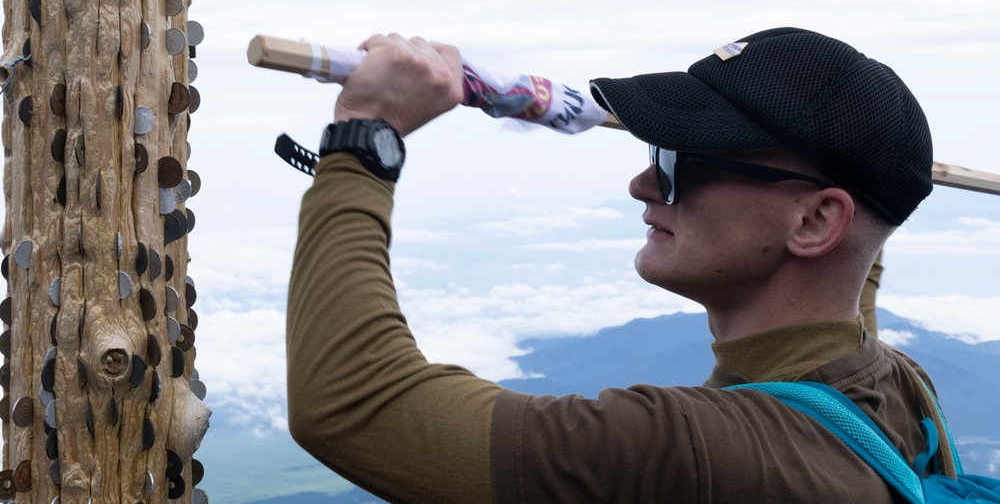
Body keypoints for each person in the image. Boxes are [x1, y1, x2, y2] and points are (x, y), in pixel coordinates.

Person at [286, 27, 947, 503]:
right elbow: (849, 279)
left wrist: (366, 136)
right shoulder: (899, 392)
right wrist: (882, 178)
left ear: (814, 222)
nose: (643, 184)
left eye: (679, 164)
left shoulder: (697, 452)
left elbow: (354, 405)